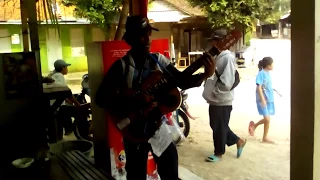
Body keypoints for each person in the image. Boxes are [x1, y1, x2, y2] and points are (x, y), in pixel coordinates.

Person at [96, 15, 215, 180]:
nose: (147, 39)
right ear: (131, 39)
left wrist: (204, 75)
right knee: (136, 175)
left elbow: (181, 80)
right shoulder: (121, 67)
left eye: (148, 34)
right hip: (133, 130)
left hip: (157, 127)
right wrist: (134, 100)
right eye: (141, 35)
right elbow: (101, 99)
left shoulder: (159, 60)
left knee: (170, 168)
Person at [202, 30, 246, 163]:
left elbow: (227, 82)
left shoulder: (226, 57)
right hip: (215, 99)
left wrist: (215, 92)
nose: (213, 43)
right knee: (216, 125)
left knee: (219, 127)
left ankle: (219, 153)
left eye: (216, 41)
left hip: (222, 99)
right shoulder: (218, 56)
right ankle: (239, 141)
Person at [248, 57, 281, 143]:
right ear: (268, 65)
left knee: (268, 119)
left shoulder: (268, 73)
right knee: (266, 119)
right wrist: (262, 99)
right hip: (262, 99)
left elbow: (266, 86)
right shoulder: (261, 73)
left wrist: (277, 91)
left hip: (269, 99)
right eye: (272, 64)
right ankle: (254, 126)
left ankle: (264, 138)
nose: (273, 65)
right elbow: (259, 87)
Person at [48, 59, 82, 135]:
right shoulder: (59, 76)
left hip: (52, 104)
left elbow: (61, 91)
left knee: (66, 108)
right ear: (62, 68)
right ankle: (71, 129)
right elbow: (66, 92)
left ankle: (68, 129)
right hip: (56, 106)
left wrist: (68, 100)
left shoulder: (52, 75)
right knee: (78, 111)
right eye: (66, 67)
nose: (67, 69)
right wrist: (78, 104)